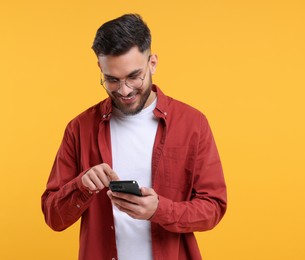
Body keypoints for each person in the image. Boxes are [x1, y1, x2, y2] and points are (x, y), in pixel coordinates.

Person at [41, 14, 227, 260]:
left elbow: (213, 207)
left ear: (152, 63)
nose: (124, 90)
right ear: (100, 68)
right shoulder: (79, 128)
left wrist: (161, 210)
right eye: (112, 80)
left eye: (133, 76)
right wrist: (81, 185)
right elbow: (53, 217)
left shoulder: (192, 123)